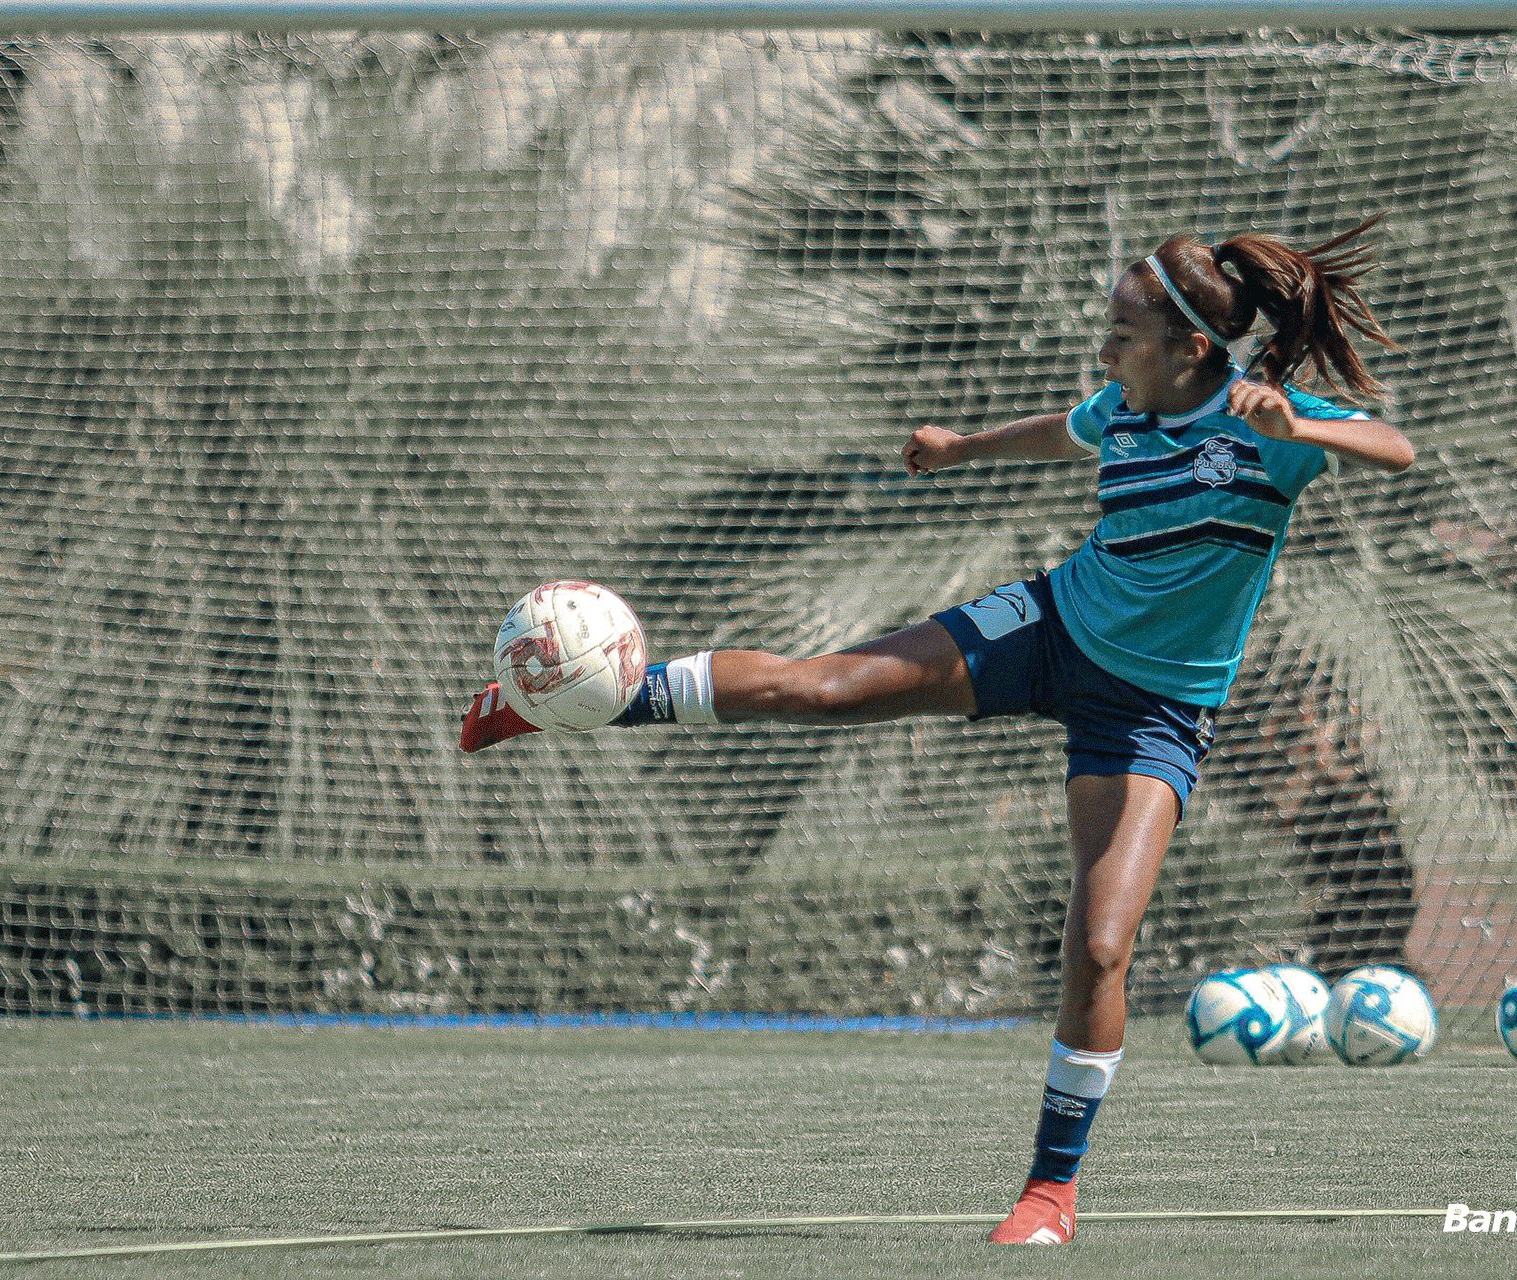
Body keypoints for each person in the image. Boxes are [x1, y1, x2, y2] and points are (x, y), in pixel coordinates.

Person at [459, 217, 1415, 1245]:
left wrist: (1301, 429)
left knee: (1100, 946)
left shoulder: (1263, 430)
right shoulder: (1125, 408)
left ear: (1189, 349)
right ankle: (579, 698)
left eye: (1122, 334)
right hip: (1048, 628)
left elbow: (1395, 447)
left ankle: (1050, 1192)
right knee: (820, 688)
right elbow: (1067, 426)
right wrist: (964, 446)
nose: (1104, 352)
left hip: (1154, 711)